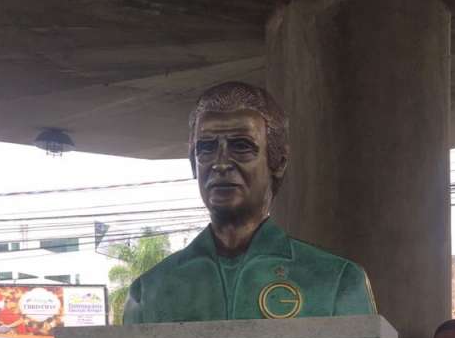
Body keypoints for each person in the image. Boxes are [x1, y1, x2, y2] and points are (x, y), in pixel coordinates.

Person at [123, 81, 375, 323]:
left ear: (278, 162)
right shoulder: (147, 293)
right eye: (206, 148)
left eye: (241, 146)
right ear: (193, 164)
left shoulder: (338, 282)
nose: (220, 163)